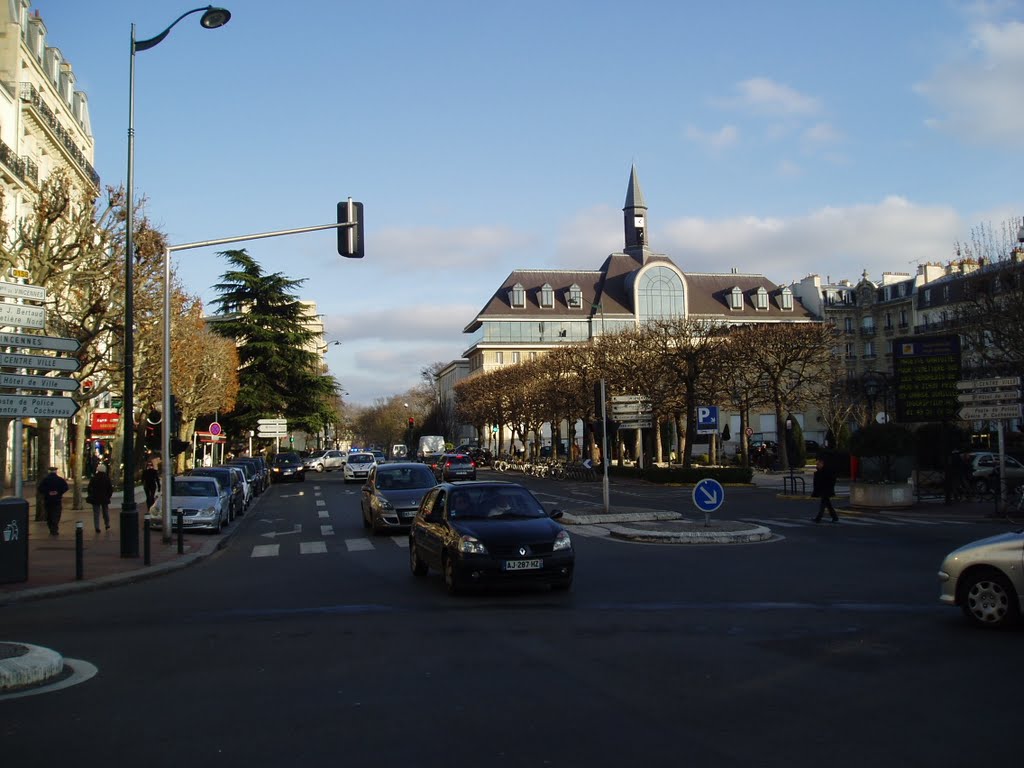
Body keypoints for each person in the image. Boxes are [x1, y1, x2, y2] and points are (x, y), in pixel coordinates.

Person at [37, 466, 69, 536]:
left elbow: (40, 489)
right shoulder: (60, 479)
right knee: (56, 514)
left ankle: (51, 527)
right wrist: (59, 492)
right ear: (56, 471)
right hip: (57, 499)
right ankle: (54, 528)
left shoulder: (45, 480)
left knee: (49, 514)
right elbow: (66, 487)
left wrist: (48, 492)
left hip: (48, 500)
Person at [86, 463, 113, 532]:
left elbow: (89, 488)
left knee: (96, 513)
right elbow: (110, 489)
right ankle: (107, 524)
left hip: (95, 498)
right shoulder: (107, 478)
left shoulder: (94, 478)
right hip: (104, 498)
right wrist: (108, 496)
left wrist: (91, 494)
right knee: (105, 512)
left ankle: (97, 527)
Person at [811, 457, 839, 523]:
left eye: (818, 464)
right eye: (817, 464)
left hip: (826, 490)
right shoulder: (819, 472)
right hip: (823, 490)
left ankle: (818, 518)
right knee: (828, 504)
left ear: (822, 464)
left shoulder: (826, 472)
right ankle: (834, 517)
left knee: (823, 505)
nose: (817, 465)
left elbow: (831, 481)